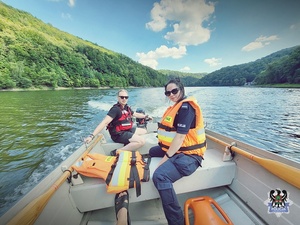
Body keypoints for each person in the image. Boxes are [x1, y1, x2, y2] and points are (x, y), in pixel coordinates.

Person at [149, 78, 207, 225]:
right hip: (178, 149)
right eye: (168, 93)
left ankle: (177, 221)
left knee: (160, 176)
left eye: (174, 91)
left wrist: (165, 159)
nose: (171, 95)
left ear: (181, 89)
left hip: (190, 156)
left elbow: (180, 136)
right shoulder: (176, 106)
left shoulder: (186, 108)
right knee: (151, 151)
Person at [85, 89, 152, 155]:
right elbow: (104, 122)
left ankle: (130, 139)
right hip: (118, 134)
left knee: (144, 131)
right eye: (122, 97)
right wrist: (91, 136)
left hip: (127, 130)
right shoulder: (115, 110)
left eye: (126, 97)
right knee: (141, 141)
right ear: (118, 98)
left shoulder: (126, 107)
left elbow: (135, 114)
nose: (124, 99)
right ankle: (117, 151)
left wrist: (145, 116)